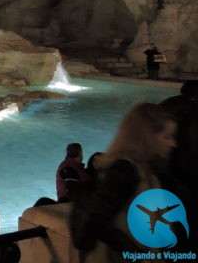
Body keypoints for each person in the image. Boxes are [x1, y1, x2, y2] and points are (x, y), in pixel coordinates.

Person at [73, 103, 179, 260]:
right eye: (166, 136)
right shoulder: (124, 170)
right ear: (147, 137)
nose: (173, 143)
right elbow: (96, 221)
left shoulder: (145, 168)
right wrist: (136, 256)